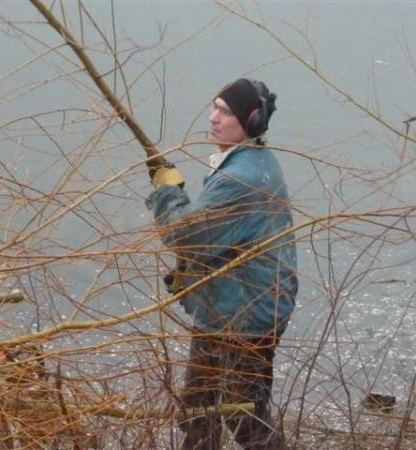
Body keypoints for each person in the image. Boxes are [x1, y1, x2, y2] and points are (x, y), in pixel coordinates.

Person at [147, 78, 298, 449]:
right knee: (199, 412)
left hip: (243, 316)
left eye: (225, 112)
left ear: (252, 121)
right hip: (231, 307)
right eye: (214, 107)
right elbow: (214, 239)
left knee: (242, 416)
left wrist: (167, 192)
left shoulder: (241, 177)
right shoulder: (253, 162)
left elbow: (186, 236)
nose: (213, 118)